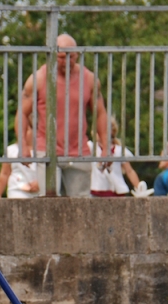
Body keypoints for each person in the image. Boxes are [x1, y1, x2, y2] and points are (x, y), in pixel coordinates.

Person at [18, 33, 109, 197]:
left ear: (77, 55)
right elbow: (22, 113)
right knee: (49, 201)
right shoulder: (38, 78)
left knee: (80, 204)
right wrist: (22, 145)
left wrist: (106, 146)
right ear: (52, 55)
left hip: (79, 151)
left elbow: (100, 113)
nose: (66, 61)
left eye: (71, 56)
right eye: (61, 57)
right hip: (46, 151)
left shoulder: (89, 79)